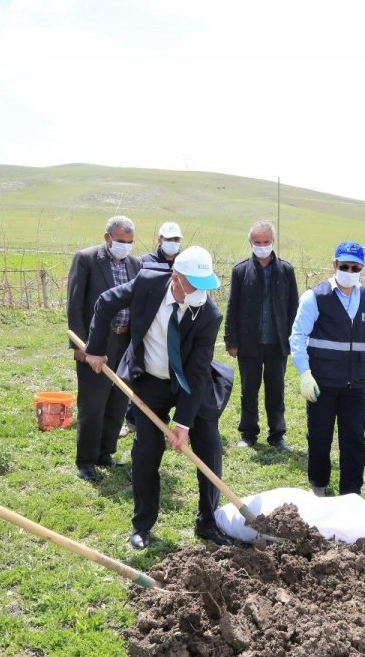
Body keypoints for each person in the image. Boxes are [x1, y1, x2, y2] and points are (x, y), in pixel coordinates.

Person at [83, 246, 233, 550]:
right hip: (151, 380)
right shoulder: (148, 282)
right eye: (194, 285)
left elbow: (197, 372)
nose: (201, 293)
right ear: (176, 278)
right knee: (146, 452)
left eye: (205, 286)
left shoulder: (208, 314)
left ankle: (207, 521)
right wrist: (96, 348)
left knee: (210, 447)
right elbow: (105, 302)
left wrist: (184, 424)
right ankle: (142, 524)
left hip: (190, 383)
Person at [290, 241, 365, 496]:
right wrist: (305, 374)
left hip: (354, 383)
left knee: (355, 439)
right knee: (320, 437)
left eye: (355, 267)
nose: (349, 271)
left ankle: (351, 493)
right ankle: (318, 487)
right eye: (345, 266)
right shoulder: (315, 297)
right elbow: (297, 336)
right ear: (334, 264)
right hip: (322, 382)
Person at [66, 216, 141, 482]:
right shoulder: (87, 259)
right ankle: (86, 461)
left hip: (125, 341)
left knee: (118, 400)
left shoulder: (135, 264)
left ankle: (105, 453)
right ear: (107, 237)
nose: (125, 246)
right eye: (121, 241)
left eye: (130, 242)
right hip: (96, 343)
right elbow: (75, 304)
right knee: (93, 403)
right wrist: (80, 344)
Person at [225, 220, 299, 451]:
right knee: (249, 390)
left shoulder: (286, 270)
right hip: (249, 342)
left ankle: (277, 435)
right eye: (257, 242)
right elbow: (232, 306)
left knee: (276, 390)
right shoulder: (240, 270)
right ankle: (248, 434)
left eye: (266, 241)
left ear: (273, 241)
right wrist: (231, 340)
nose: (262, 246)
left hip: (277, 342)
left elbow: (294, 307)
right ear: (250, 242)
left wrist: (294, 339)